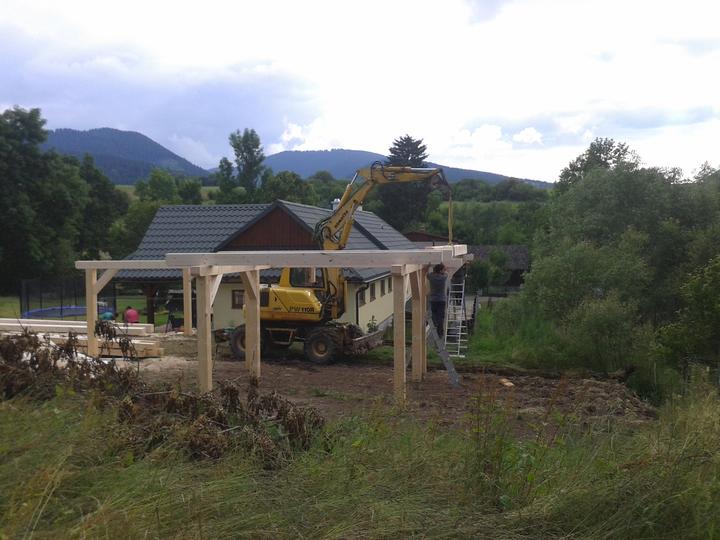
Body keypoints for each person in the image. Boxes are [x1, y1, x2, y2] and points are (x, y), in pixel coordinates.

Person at [428, 263, 447, 337]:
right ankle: (440, 333)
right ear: (440, 270)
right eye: (443, 269)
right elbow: (446, 273)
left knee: (434, 313)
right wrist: (444, 267)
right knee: (441, 316)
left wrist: (428, 266)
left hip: (433, 300)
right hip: (441, 300)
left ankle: (435, 324)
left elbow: (427, 274)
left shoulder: (431, 277)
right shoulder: (443, 278)